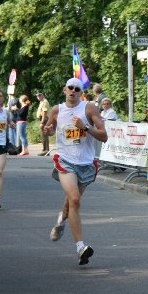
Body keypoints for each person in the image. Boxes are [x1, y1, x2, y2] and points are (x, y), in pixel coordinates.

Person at [43, 78, 108, 265]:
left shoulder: (89, 109)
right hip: (65, 161)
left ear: (81, 92)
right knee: (75, 200)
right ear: (65, 90)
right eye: (70, 88)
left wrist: (85, 127)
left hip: (86, 164)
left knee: (69, 205)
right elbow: (49, 129)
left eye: (77, 89)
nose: (73, 91)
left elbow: (104, 136)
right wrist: (47, 130)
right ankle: (81, 247)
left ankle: (60, 220)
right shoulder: (57, 110)